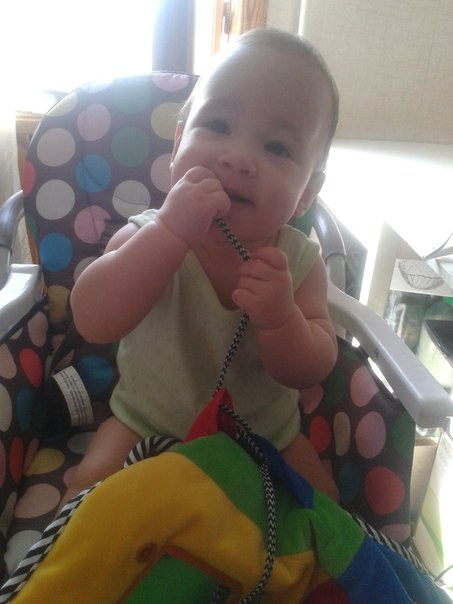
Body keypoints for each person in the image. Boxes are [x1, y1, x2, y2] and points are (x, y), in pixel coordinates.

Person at [62, 27, 340, 508]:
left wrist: (281, 320)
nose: (239, 159)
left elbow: (314, 368)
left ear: (307, 194)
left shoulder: (298, 263)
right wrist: (169, 234)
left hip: (264, 439)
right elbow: (91, 319)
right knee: (89, 495)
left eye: (277, 148)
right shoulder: (147, 234)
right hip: (144, 426)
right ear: (177, 144)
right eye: (218, 125)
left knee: (326, 509)